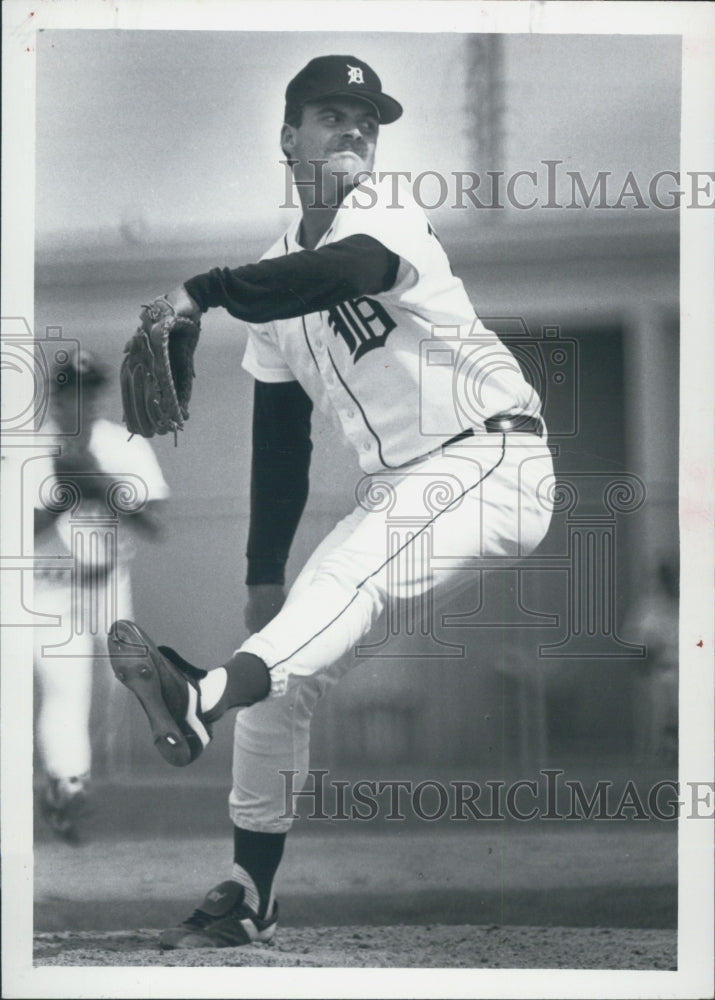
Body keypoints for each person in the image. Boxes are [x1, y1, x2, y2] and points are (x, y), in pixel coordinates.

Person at [108, 55, 555, 947]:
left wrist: (201, 291)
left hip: (492, 459)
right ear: (288, 137)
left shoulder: (384, 220)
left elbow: (340, 273)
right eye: (330, 113)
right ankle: (250, 890)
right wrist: (262, 580)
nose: (353, 128)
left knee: (349, 574)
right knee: (283, 671)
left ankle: (201, 695)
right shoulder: (279, 272)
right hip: (408, 489)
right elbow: (280, 438)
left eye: (367, 117)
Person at [33, 351, 169, 843]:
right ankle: (70, 787)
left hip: (110, 587)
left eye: (89, 390)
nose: (81, 401)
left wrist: (102, 484)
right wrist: (64, 495)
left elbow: (156, 524)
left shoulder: (123, 445)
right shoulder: (29, 448)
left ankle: (64, 782)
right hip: (46, 587)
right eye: (70, 390)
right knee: (66, 690)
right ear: (54, 396)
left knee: (110, 697)